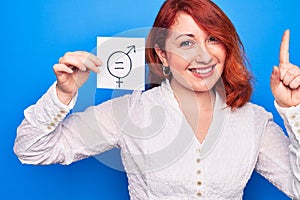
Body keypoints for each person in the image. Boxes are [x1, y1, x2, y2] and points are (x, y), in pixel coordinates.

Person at [14, 0, 300, 199]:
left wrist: (293, 110)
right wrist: (63, 94)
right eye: (186, 42)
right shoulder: (129, 112)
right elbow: (32, 150)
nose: (203, 55)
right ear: (162, 54)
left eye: (213, 39)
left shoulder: (253, 120)